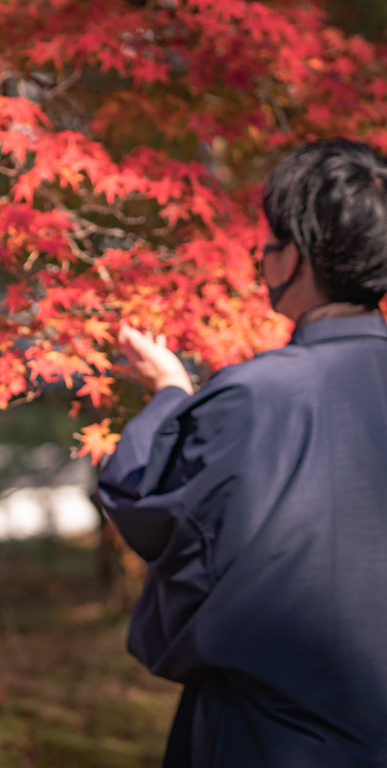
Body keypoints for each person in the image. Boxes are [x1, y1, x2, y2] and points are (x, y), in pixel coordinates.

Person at [98, 138, 387, 767]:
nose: (264, 255)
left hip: (271, 736)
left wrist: (171, 392)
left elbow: (145, 502)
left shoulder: (255, 396)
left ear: (299, 257)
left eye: (273, 241)